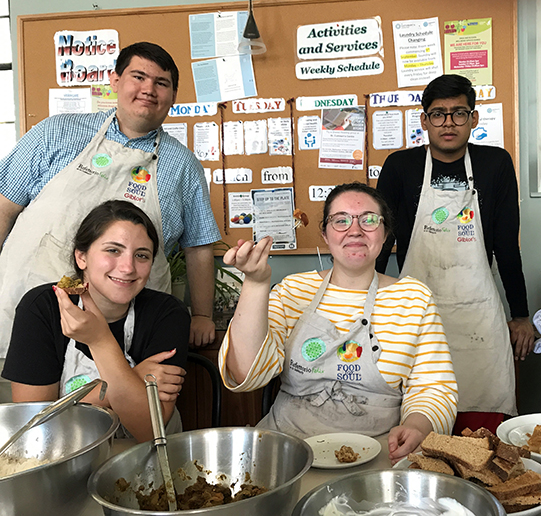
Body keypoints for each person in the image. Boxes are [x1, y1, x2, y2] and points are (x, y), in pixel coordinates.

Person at [0, 41, 220, 355]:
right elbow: (3, 208)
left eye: (161, 83)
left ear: (173, 96)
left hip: (128, 326)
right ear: (115, 81)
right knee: (28, 401)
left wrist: (201, 315)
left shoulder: (183, 165)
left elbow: (198, 247)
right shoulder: (55, 133)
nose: (149, 89)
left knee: (119, 397)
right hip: (31, 309)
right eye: (139, 77)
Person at [218, 183, 457, 464]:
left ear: (385, 233)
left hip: (381, 454)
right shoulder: (292, 291)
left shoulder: (413, 298)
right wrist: (256, 284)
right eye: (340, 220)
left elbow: (433, 387)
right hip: (287, 450)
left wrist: (417, 426)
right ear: (325, 234)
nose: (355, 230)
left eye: (369, 219)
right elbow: (246, 373)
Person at [376, 74, 533, 434]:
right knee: (418, 420)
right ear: (424, 120)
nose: (448, 123)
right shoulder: (400, 167)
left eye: (459, 113)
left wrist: (521, 315)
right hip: (414, 312)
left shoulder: (495, 164)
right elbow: (380, 243)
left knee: (482, 424)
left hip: (478, 315)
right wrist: (368, 308)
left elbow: (507, 244)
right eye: (438, 114)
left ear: (474, 119)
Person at [1, 200, 189, 442]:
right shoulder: (42, 308)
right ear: (82, 257)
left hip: (143, 462)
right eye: (113, 250)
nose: (128, 267)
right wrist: (130, 379)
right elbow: (36, 430)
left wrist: (100, 341)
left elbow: (149, 431)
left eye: (141, 255)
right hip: (63, 464)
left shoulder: (167, 314)